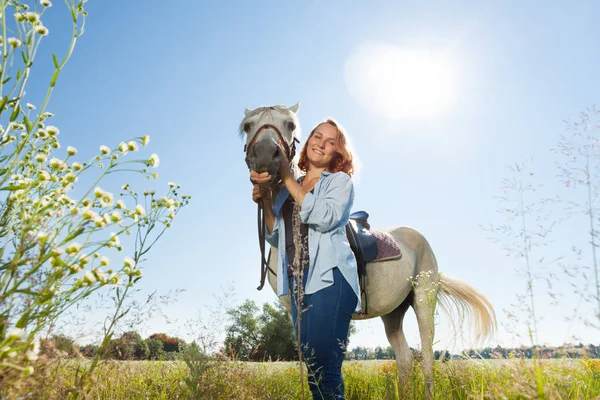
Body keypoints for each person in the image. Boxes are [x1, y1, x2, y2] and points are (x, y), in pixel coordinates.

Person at [250, 118, 360, 400]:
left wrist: (286, 176)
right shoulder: (289, 190)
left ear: (339, 153)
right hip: (298, 282)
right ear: (308, 140)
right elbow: (275, 235)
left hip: (330, 278)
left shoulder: (339, 182)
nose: (321, 144)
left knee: (327, 369)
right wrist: (265, 198)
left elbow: (325, 218)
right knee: (313, 368)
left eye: (331, 142)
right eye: (317, 136)